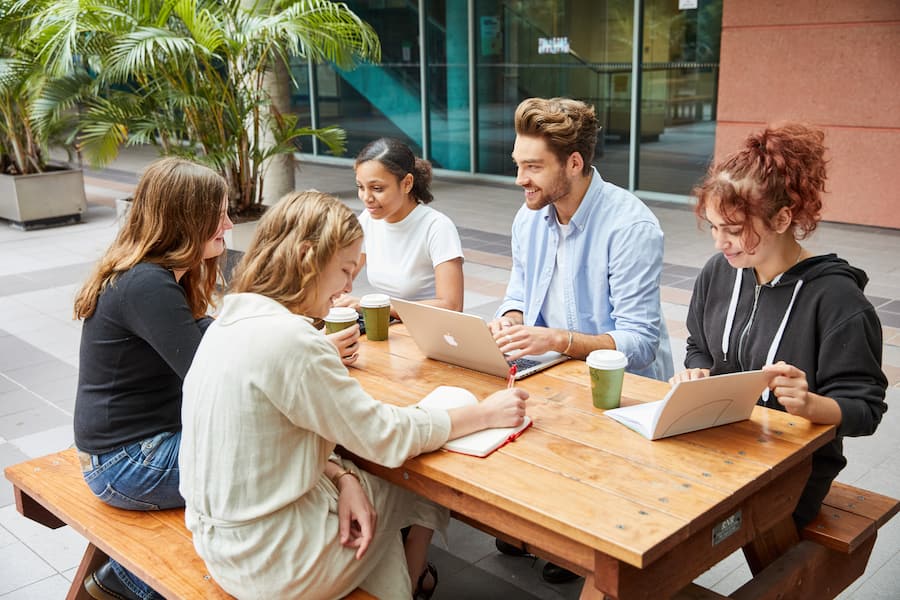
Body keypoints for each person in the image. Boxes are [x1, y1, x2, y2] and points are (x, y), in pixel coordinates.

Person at [178, 190, 528, 600]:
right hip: (274, 561)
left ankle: (404, 582)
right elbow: (386, 436)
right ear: (308, 257)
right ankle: (411, 581)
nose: (348, 286)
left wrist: (345, 479)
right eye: (345, 270)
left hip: (222, 545)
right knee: (412, 482)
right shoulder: (293, 341)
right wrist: (481, 415)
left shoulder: (230, 320)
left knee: (373, 490)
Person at [488, 97, 674, 584]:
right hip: (551, 375)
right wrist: (509, 318)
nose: (519, 179)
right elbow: (516, 292)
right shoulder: (528, 216)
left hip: (621, 392)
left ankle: (575, 541)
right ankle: (540, 526)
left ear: (574, 163)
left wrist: (559, 339)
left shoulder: (630, 227)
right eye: (518, 165)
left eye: (532, 167)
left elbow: (640, 343)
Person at [672, 123, 887, 530]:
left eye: (734, 230)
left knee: (682, 524)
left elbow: (866, 410)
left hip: (796, 468)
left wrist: (810, 405)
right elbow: (698, 343)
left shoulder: (838, 301)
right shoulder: (720, 271)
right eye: (715, 228)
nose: (720, 243)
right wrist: (697, 367)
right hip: (720, 440)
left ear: (783, 218)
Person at [72, 157, 233, 600]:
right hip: (125, 463)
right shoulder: (146, 284)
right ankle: (134, 580)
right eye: (219, 214)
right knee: (264, 457)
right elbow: (212, 375)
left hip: (128, 449)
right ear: (188, 218)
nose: (230, 223)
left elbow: (203, 334)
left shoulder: (154, 275)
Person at [335, 137, 464, 318]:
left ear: (407, 183)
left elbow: (451, 305)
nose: (366, 197)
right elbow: (342, 278)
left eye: (377, 188)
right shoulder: (367, 221)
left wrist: (369, 305)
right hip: (385, 324)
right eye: (360, 187)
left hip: (430, 331)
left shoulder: (437, 227)